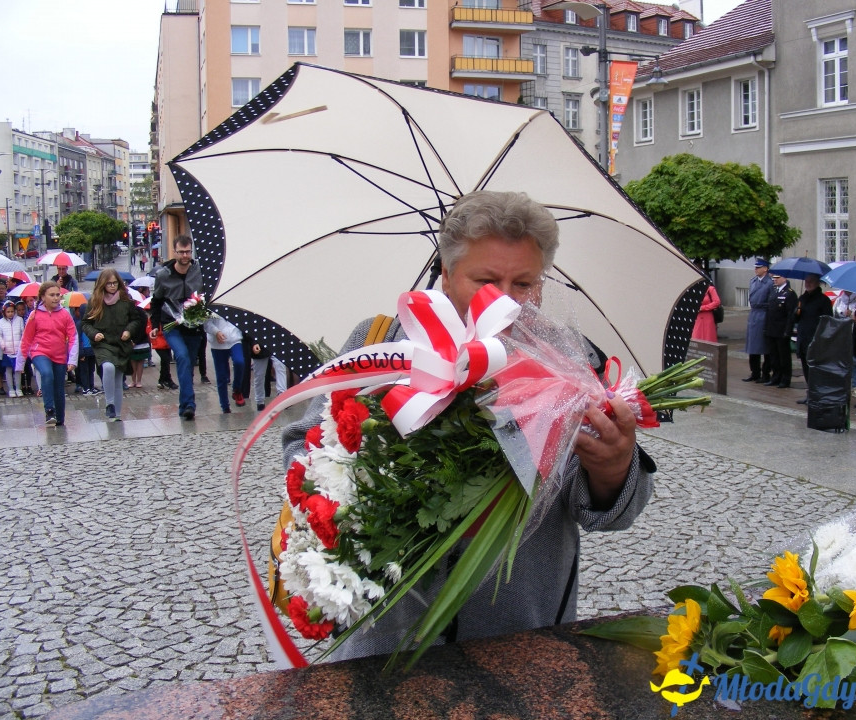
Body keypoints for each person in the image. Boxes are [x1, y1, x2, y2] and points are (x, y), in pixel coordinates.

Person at [281, 190, 656, 661]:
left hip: (521, 636)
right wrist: (364, 486)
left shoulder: (571, 362)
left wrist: (615, 467)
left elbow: (617, 512)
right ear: (446, 271)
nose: (505, 299)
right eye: (485, 279)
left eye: (524, 283)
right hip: (387, 635)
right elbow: (301, 442)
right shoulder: (380, 342)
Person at [150, 235, 204, 421]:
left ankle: (184, 407)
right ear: (175, 252)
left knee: (187, 365)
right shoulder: (163, 275)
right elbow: (156, 301)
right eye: (181, 252)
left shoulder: (198, 271)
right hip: (171, 325)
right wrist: (155, 325)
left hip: (194, 325)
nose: (185, 255)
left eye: (188, 251)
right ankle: (189, 404)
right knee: (181, 356)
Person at [16, 281, 78, 427]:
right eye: (52, 295)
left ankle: (59, 418)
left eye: (58, 295)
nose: (55, 298)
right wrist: (20, 363)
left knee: (58, 387)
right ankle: (49, 410)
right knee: (46, 373)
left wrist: (72, 359)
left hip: (59, 355)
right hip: (40, 351)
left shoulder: (65, 314)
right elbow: (26, 339)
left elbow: (73, 337)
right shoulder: (34, 315)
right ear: (43, 297)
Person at [82, 269, 142, 421]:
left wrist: (129, 331)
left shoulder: (125, 300)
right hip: (103, 343)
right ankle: (109, 404)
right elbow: (86, 323)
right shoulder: (95, 300)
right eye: (109, 284)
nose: (112, 286)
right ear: (103, 284)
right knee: (108, 367)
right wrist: (94, 334)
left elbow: (136, 320)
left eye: (115, 283)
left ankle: (117, 415)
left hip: (121, 344)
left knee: (118, 379)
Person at [793, 273, 833, 404]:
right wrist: (796, 312)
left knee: (815, 369)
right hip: (803, 339)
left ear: (817, 283)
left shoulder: (823, 300)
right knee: (806, 368)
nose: (807, 283)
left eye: (811, 281)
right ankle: (810, 393)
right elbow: (796, 319)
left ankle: (817, 395)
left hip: (816, 340)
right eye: (806, 281)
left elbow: (828, 321)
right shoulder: (802, 298)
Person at [204, 314, 246, 413]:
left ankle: (237, 389)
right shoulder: (208, 304)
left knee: (239, 362)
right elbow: (206, 323)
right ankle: (225, 406)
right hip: (218, 343)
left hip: (234, 338)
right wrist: (216, 332)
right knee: (221, 376)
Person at [763, 272, 797, 389]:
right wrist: (766, 328)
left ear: (784, 278)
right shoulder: (774, 291)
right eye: (774, 277)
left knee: (784, 357)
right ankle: (776, 377)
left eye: (777, 278)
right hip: (772, 329)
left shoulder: (790, 293)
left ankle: (785, 378)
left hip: (782, 330)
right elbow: (769, 311)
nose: (774, 279)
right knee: (774, 356)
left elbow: (790, 315)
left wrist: (788, 331)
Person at [743, 259, 773, 383]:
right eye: (755, 267)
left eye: (758, 267)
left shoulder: (770, 283)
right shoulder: (753, 281)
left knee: (765, 346)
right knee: (752, 346)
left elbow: (770, 300)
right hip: (754, 314)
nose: (756, 269)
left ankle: (765, 373)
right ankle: (754, 372)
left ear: (765, 268)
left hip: (764, 314)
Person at [247, 335, 287, 412]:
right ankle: (260, 401)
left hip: (276, 340)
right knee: (259, 375)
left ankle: (282, 395)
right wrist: (254, 343)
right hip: (260, 341)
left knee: (280, 366)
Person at [0, 301, 25, 397]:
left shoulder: (19, 320)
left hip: (17, 350)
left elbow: (23, 333)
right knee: (8, 370)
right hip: (7, 351)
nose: (10, 313)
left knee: (18, 370)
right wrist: (2, 344)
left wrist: (21, 345)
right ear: (4, 312)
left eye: (12, 311)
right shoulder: (1, 322)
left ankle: (18, 388)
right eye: (8, 312)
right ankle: (11, 389)